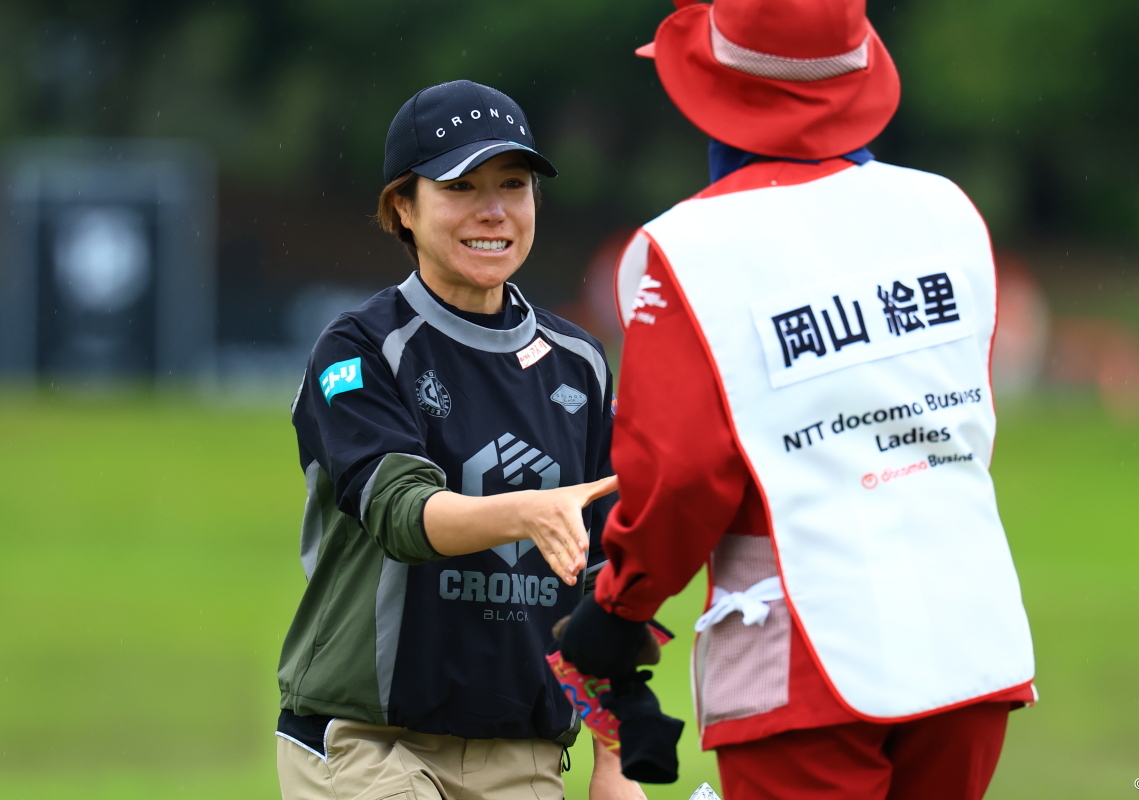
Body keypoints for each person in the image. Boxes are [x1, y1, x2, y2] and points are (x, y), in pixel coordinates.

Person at [561, 2, 1037, 799]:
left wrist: (618, 606)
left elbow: (681, 478)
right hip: (968, 636)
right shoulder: (948, 209)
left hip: (806, 656)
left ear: (713, 89)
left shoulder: (683, 248)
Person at [275, 79, 644, 800]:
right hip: (368, 745)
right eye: (462, 187)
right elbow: (403, 514)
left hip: (524, 753)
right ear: (402, 208)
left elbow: (605, 584)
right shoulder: (361, 350)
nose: (495, 211)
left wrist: (613, 757)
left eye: (514, 184)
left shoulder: (583, 364)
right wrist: (528, 511)